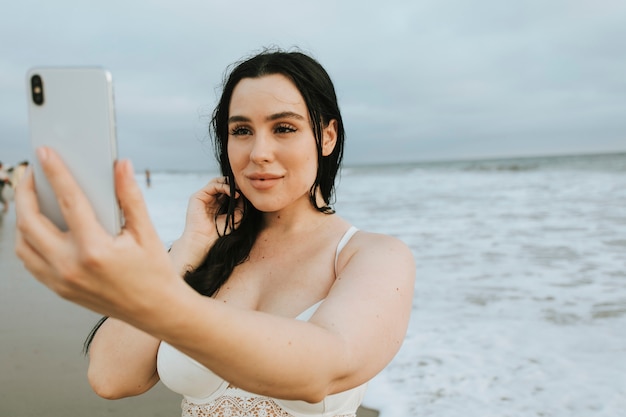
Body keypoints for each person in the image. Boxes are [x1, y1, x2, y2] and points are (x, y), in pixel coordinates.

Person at [14, 49, 415, 417]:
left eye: (284, 128)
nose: (258, 151)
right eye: (241, 130)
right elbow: (110, 377)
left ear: (326, 136)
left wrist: (155, 299)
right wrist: (187, 250)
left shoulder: (373, 256)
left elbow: (321, 370)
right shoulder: (203, 252)